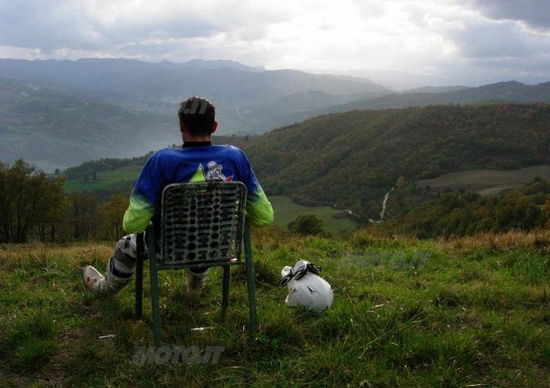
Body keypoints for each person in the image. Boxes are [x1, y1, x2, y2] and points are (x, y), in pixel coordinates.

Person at [83, 96, 274, 295]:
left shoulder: (162, 161)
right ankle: (194, 290)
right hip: (219, 247)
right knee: (204, 234)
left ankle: (106, 288)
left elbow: (133, 225)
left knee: (124, 247)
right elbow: (264, 217)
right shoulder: (236, 157)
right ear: (214, 126)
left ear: (181, 126)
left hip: (170, 249)